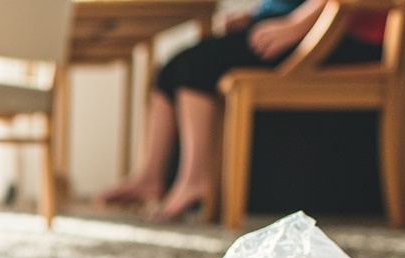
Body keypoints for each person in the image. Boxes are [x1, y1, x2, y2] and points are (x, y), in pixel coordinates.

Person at [96, 0, 386, 222]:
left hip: (330, 33)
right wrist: (257, 15)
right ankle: (149, 176)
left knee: (195, 67)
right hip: (294, 22)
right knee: (169, 69)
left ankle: (194, 179)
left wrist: (296, 24)